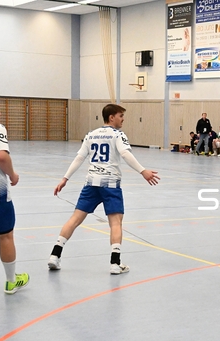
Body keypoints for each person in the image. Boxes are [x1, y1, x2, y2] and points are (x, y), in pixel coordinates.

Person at [48, 104, 160, 274]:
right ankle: (115, 263)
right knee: (115, 223)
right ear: (111, 117)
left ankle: (54, 255)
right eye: (120, 116)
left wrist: (65, 178)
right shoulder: (118, 135)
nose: (123, 119)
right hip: (110, 185)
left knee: (75, 219)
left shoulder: (90, 135)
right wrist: (143, 171)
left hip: (91, 184)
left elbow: (79, 158)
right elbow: (125, 154)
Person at [0, 104, 29, 294]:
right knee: (5, 235)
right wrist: (13, 175)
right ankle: (11, 281)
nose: (0, 113)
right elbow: (1, 157)